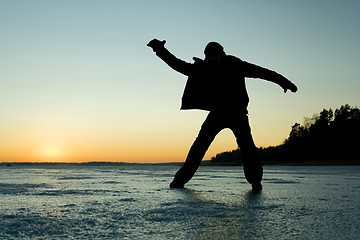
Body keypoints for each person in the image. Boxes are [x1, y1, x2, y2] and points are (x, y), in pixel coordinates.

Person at [147, 39, 297, 191]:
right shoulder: (203, 68)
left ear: (221, 54)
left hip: (238, 113)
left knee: (248, 148)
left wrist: (284, 82)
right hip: (217, 113)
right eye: (210, 56)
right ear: (206, 57)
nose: (213, 59)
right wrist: (159, 50)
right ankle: (179, 181)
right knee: (199, 147)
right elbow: (178, 65)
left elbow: (262, 72)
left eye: (216, 56)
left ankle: (255, 181)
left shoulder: (235, 65)